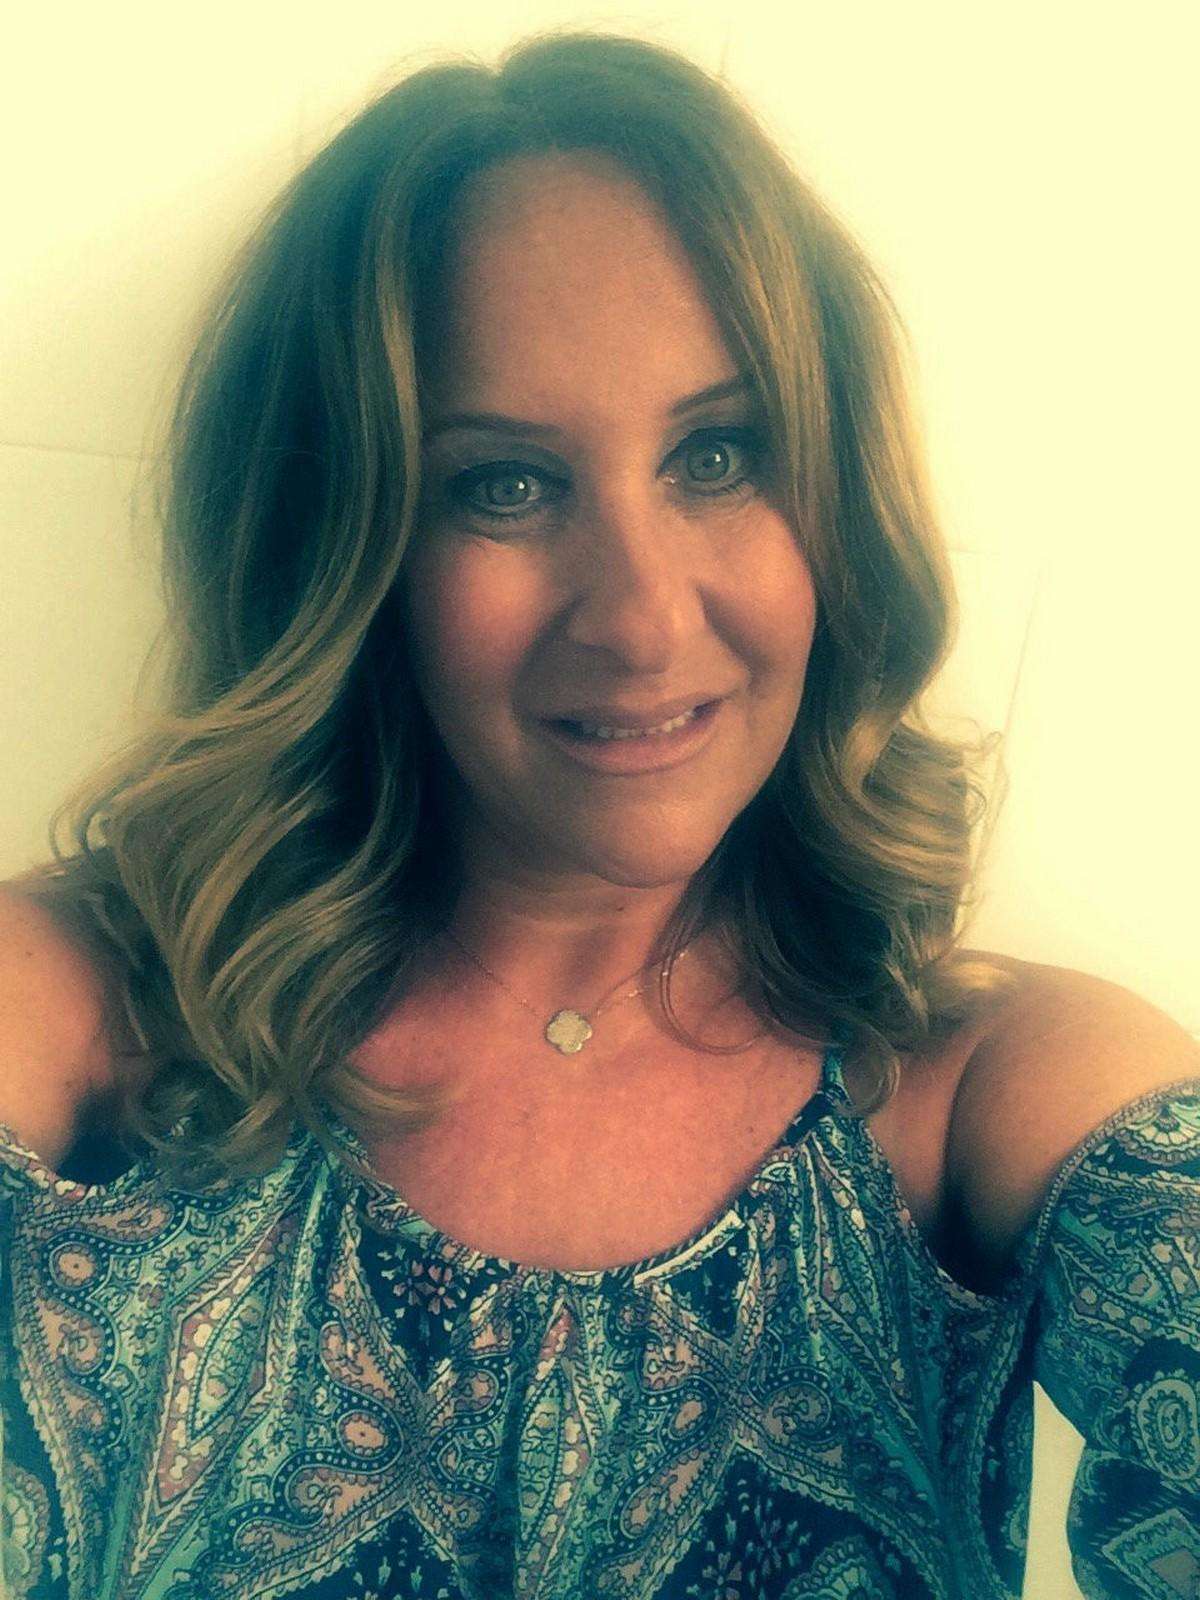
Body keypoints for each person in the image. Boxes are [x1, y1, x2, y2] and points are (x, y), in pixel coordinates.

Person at [0, 28, 1196, 1600]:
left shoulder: (990, 1094)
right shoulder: (83, 1020)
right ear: (346, 545)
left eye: (720, 455)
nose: (640, 618)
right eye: (503, 483)